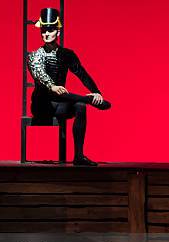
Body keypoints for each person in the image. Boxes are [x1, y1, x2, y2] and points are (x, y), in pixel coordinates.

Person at [28, 7, 112, 166]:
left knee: (80, 106)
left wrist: (96, 91)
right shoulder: (34, 56)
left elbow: (81, 73)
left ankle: (79, 156)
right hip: (42, 104)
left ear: (57, 32)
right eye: (44, 30)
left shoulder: (67, 54)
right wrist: (52, 86)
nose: (46, 33)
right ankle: (88, 100)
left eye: (50, 30)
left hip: (60, 102)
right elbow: (39, 75)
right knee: (64, 95)